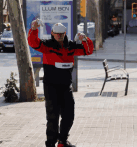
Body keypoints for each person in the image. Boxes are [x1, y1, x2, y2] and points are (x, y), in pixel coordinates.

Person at [28, 19, 94, 147]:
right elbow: (34, 43)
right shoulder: (47, 45)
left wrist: (85, 38)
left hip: (66, 86)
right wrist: (34, 29)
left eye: (61, 33)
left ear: (65, 33)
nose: (59, 36)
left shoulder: (71, 46)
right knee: (52, 117)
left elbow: (88, 51)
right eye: (57, 33)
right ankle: (50, 144)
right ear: (52, 33)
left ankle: (62, 141)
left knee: (69, 115)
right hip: (51, 86)